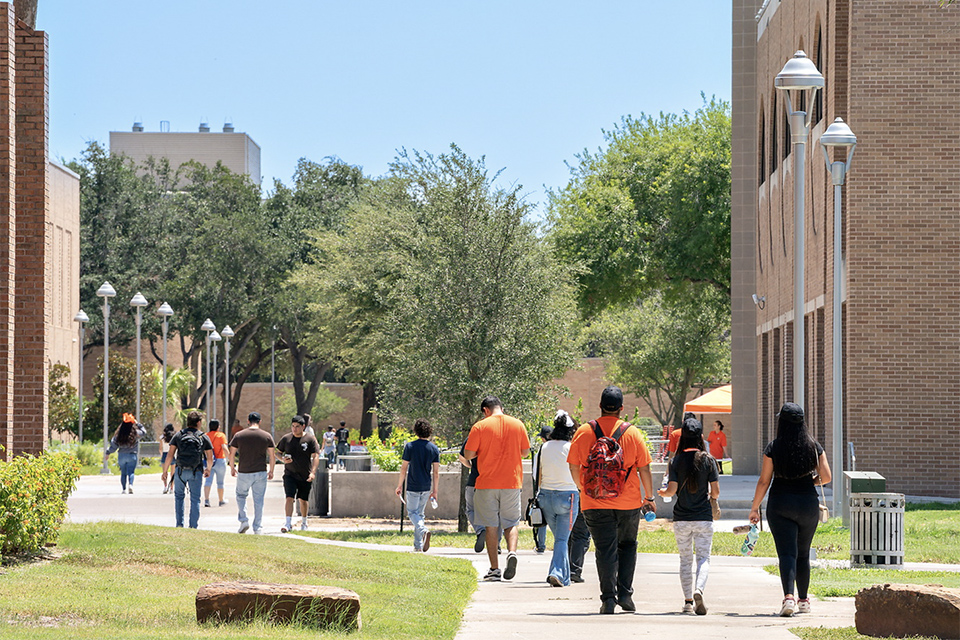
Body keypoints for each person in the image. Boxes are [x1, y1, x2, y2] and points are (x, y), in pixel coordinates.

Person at [568, 386, 655, 614]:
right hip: (628, 503)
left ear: (600, 406)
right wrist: (649, 496)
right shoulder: (632, 433)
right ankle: (625, 595)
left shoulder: (585, 432)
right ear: (621, 409)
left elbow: (573, 466)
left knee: (604, 549)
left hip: (594, 502)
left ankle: (608, 599)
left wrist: (583, 488)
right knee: (627, 546)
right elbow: (644, 468)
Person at [749, 402, 832, 617]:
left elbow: (763, 481)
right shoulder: (813, 446)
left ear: (781, 422)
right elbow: (827, 477)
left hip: (780, 504)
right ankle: (803, 600)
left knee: (786, 553)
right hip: (807, 505)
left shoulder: (773, 447)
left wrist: (754, 507)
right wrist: (809, 482)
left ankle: (788, 598)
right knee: (803, 554)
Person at [464, 395, 530, 582]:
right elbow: (525, 452)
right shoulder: (517, 424)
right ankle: (512, 552)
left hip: (486, 483)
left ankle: (494, 569)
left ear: (485, 410)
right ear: (501, 407)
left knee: (491, 526)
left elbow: (469, 453)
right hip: (512, 482)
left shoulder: (480, 426)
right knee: (511, 522)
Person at [658, 418, 720, 615]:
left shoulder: (675, 461)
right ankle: (698, 590)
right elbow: (716, 492)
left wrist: (663, 493)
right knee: (703, 558)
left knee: (685, 560)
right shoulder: (708, 460)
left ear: (682, 437)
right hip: (703, 517)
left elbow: (672, 490)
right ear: (701, 437)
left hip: (681, 518)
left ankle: (687, 602)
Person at [535, 410, 579, 587]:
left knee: (560, 538)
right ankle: (556, 573)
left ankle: (564, 578)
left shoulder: (544, 447)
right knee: (562, 539)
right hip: (567, 496)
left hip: (546, 497)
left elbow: (538, 475)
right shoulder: (571, 448)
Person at [161, 411, 214, 529]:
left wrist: (165, 471)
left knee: (179, 497)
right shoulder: (203, 436)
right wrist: (208, 469)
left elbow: (170, 455)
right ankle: (193, 526)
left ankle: (179, 524)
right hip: (196, 471)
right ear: (199, 422)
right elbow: (210, 457)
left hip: (180, 471)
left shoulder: (178, 435)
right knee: (195, 499)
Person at [394, 419, 441, 552]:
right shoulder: (434, 448)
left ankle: (423, 531)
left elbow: (403, 469)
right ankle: (418, 545)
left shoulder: (410, 446)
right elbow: (436, 472)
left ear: (416, 431)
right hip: (426, 486)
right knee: (419, 514)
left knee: (412, 513)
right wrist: (435, 491)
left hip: (413, 486)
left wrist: (399, 486)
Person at [229, 411, 276, 535]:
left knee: (241, 495)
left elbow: (232, 453)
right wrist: (271, 470)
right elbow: (272, 455)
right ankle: (258, 527)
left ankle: (244, 520)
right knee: (259, 500)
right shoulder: (266, 436)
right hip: (260, 471)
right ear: (260, 422)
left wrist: (232, 467)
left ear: (248, 421)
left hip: (244, 471)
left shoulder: (239, 435)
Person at [275, 414, 320, 533]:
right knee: (289, 498)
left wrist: (313, 472)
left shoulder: (310, 439)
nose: (294, 429)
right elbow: (277, 452)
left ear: (303, 426)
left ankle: (304, 522)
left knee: (303, 500)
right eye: (293, 426)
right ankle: (288, 523)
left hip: (305, 475)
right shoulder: (286, 439)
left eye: (297, 426)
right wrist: (283, 459)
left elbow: (315, 456)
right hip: (290, 474)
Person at [458, 439, 502, 554]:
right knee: (496, 512)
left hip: (474, 480)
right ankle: (496, 543)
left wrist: (471, 466)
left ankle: (480, 530)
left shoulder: (473, 437)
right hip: (494, 482)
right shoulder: (499, 437)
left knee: (471, 509)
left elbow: (462, 457)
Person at [104, 413, 147, 494]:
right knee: (131, 472)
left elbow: (113, 445)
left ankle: (124, 489)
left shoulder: (119, 434)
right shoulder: (135, 433)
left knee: (123, 473)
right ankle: (130, 485)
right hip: (132, 455)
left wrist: (108, 453)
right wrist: (137, 423)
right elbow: (144, 432)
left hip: (122, 456)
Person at [532, 424, 553, 554]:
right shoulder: (564, 448)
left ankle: (541, 544)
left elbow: (535, 474)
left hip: (544, 489)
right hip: (562, 490)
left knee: (542, 519)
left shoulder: (541, 451)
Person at [203, 419, 230, 507]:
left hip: (209, 460)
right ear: (218, 427)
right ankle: (221, 500)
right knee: (220, 482)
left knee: (208, 481)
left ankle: (206, 500)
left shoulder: (206, 436)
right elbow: (224, 448)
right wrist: (230, 459)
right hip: (220, 460)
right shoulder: (221, 435)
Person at [160, 423, 176, 494]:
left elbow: (160, 449)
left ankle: (165, 486)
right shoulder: (174, 436)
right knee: (172, 473)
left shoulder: (162, 437)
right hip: (172, 454)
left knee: (164, 472)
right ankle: (172, 488)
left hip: (165, 454)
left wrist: (162, 455)